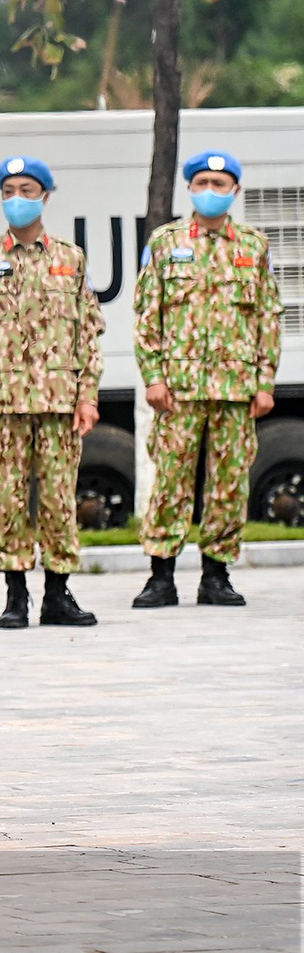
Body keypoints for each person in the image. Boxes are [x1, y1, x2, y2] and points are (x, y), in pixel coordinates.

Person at [0, 156, 106, 629]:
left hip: (60, 401)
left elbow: (88, 333)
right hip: (3, 403)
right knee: (7, 500)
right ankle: (15, 595)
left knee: (60, 498)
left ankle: (58, 593)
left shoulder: (70, 259)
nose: (17, 199)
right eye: (9, 191)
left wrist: (88, 395)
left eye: (27, 190)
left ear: (45, 196)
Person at [130, 149, 282, 609]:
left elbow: (268, 317)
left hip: (235, 389)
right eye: (202, 183)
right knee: (171, 481)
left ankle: (217, 574)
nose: (211, 191)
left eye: (220, 184)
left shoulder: (254, 246)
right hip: (178, 389)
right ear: (190, 189)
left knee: (230, 484)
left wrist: (265, 381)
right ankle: (161, 575)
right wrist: (153, 378)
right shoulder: (164, 242)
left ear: (236, 189)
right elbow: (146, 316)